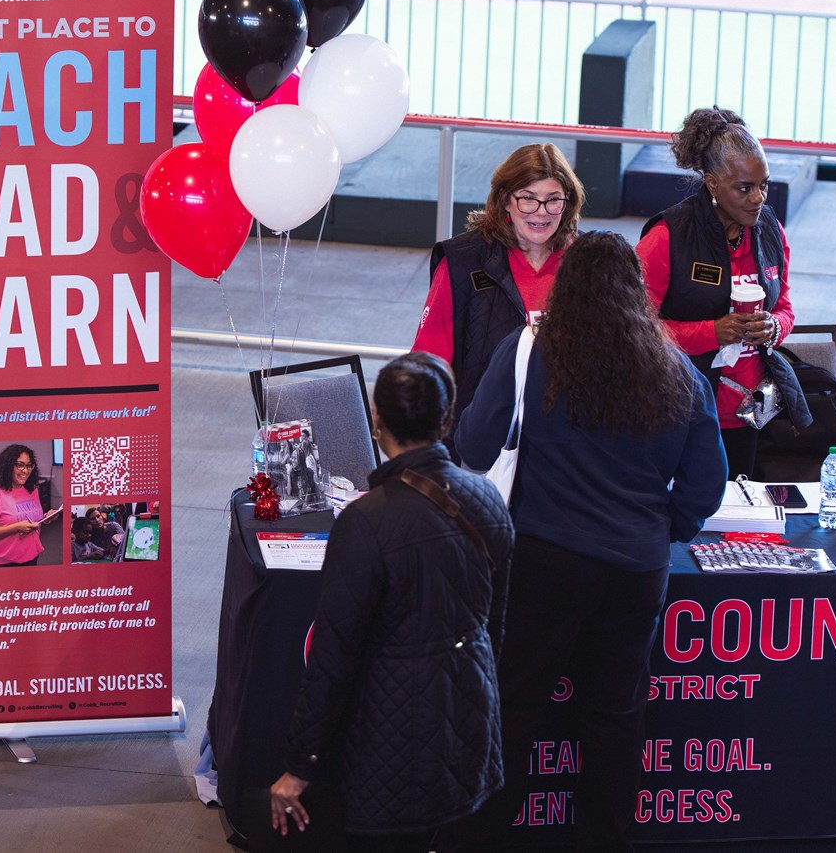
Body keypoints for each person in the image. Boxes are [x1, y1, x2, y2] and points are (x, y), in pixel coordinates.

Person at [455, 231, 726, 851]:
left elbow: (473, 447)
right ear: (637, 292)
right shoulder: (677, 373)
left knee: (516, 707)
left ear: (565, 286)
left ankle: (484, 836)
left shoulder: (529, 353)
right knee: (614, 716)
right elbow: (705, 484)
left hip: (542, 559)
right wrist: (663, 529)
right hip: (635, 569)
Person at [270, 352, 515, 853]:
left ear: (376, 419)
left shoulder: (367, 522)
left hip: (390, 747)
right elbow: (497, 626)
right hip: (471, 731)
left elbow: (332, 657)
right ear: (448, 419)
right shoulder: (488, 501)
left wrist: (300, 767)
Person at [637, 105, 811, 478]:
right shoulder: (666, 238)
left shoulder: (769, 230)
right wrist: (710, 333)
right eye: (744, 188)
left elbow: (785, 306)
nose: (758, 198)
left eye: (763, 184)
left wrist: (774, 327)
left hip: (748, 412)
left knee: (734, 520)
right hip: (679, 407)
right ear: (713, 184)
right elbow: (635, 330)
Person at [412, 143, 586, 427]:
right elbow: (429, 360)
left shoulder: (592, 261)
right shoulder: (461, 262)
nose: (541, 212)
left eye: (553, 199)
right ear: (505, 199)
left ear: (568, 201)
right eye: (528, 198)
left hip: (566, 435)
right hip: (482, 432)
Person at [0, 443, 52, 567]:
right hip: (2, 563)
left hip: (30, 556)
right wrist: (16, 528)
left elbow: (29, 518)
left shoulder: (31, 490)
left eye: (29, 466)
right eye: (20, 465)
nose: (25, 471)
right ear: (8, 466)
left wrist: (46, 517)